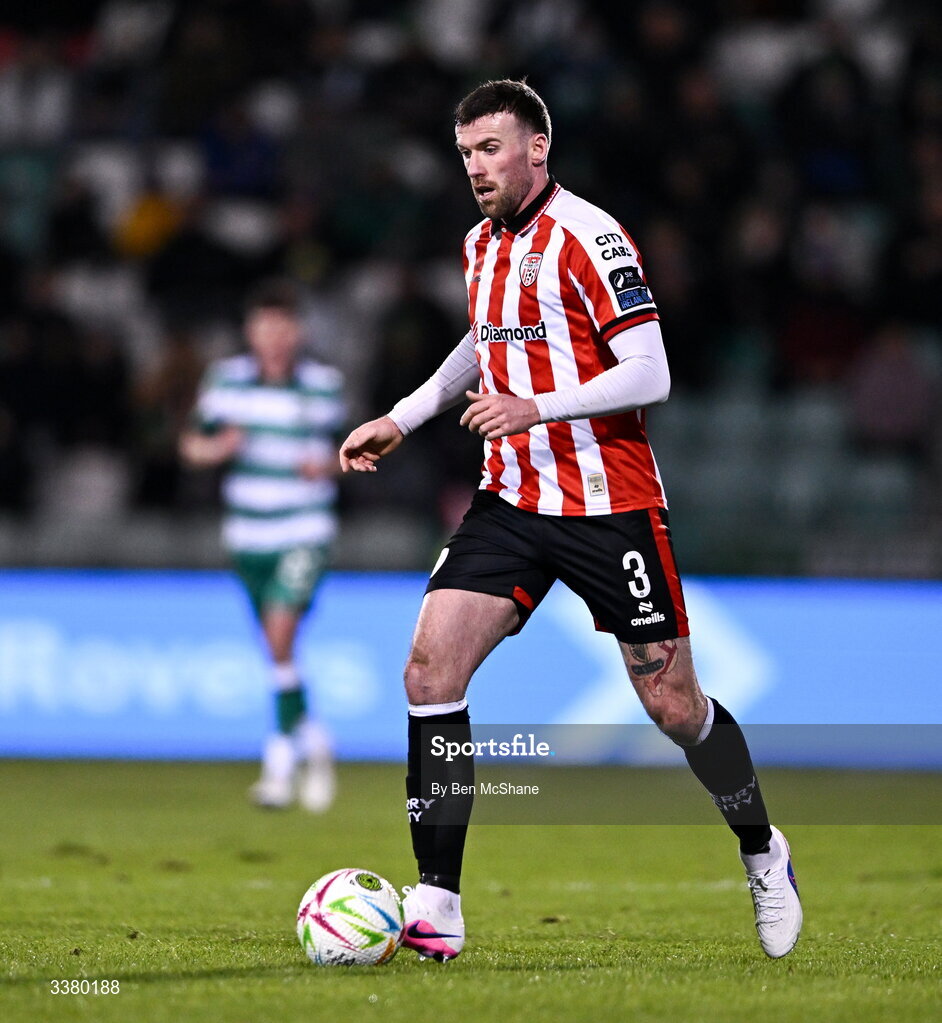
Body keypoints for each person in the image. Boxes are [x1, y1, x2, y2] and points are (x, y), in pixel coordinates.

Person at [339, 79, 801, 961]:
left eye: (492, 148)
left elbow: (650, 370)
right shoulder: (480, 243)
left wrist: (535, 408)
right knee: (430, 672)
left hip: (609, 505)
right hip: (511, 498)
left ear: (537, 149)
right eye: (466, 149)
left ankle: (762, 849)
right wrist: (404, 415)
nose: (475, 166)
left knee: (673, 705)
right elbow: (485, 340)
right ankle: (437, 902)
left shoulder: (592, 237)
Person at [181, 278, 344, 812]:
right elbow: (191, 445)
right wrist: (216, 449)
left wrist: (327, 466)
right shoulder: (226, 382)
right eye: (264, 327)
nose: (273, 337)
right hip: (247, 534)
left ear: (297, 331)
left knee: (279, 636)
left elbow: (346, 456)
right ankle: (316, 742)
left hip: (302, 530)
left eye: (282, 327)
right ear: (251, 331)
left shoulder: (322, 386)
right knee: (280, 656)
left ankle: (278, 766)